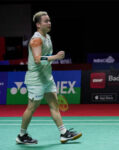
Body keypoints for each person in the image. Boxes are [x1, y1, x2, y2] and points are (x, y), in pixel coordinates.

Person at [16, 11, 82, 144]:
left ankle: (64, 133)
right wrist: (56, 57)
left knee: (54, 105)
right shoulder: (36, 40)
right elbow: (37, 59)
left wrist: (52, 61)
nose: (49, 23)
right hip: (36, 80)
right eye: (46, 21)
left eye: (49, 20)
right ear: (38, 24)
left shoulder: (47, 37)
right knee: (31, 107)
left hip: (47, 78)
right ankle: (21, 136)